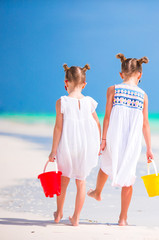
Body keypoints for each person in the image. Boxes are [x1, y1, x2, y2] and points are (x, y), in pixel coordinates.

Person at [88, 53, 153, 226]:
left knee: (106, 164)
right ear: (140, 74)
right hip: (133, 141)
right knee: (129, 175)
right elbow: (145, 124)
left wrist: (103, 138)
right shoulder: (143, 95)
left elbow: (107, 117)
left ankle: (97, 192)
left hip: (113, 135)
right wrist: (149, 148)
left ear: (121, 74)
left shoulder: (113, 89)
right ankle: (123, 218)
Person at [48, 64, 101, 226]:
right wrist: (98, 144)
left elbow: (58, 128)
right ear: (84, 84)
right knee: (81, 182)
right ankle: (76, 218)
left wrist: (53, 151)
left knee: (63, 180)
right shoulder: (89, 102)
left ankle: (58, 214)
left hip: (68, 146)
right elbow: (97, 124)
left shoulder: (62, 102)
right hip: (85, 147)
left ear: (66, 82)